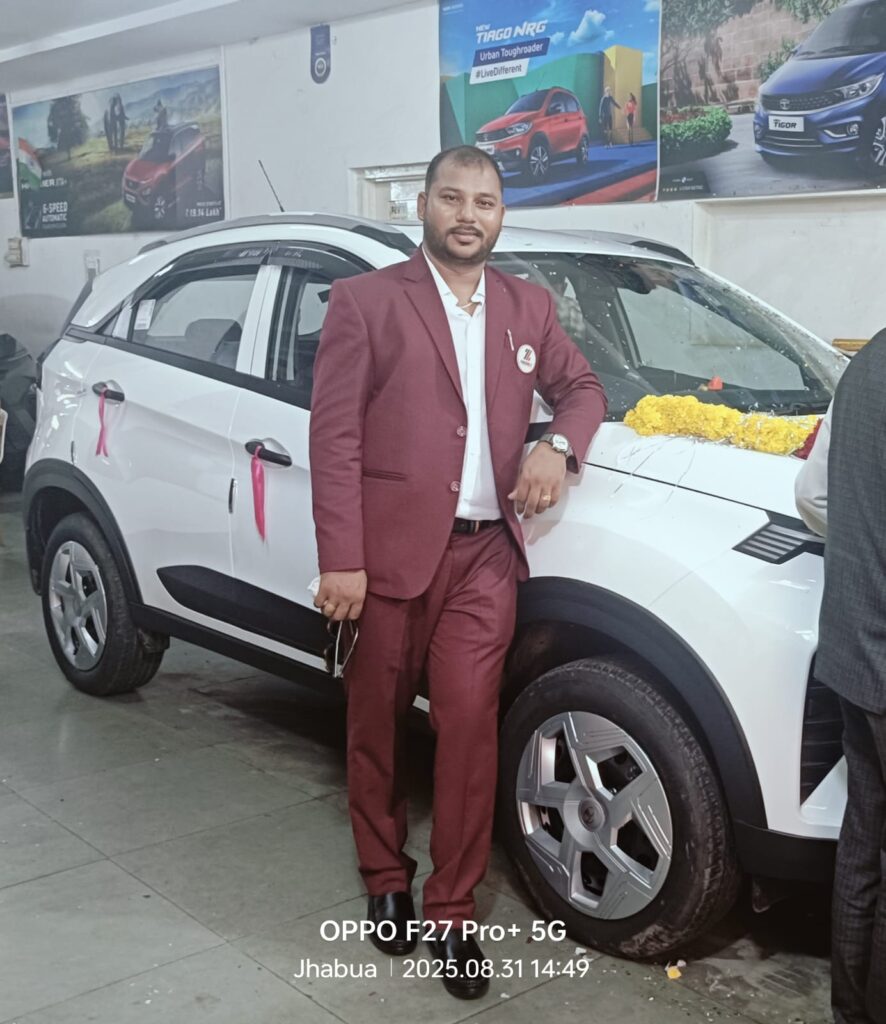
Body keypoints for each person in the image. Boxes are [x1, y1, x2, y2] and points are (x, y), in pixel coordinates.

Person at [309, 145, 607, 1000]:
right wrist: (342, 560)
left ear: (501, 214)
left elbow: (584, 389)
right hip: (387, 559)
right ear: (424, 206)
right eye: (452, 198)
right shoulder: (366, 302)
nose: (468, 215)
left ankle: (452, 910)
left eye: (484, 201)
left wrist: (556, 444)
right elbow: (334, 437)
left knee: (471, 729)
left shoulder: (527, 306)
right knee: (375, 723)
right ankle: (383, 875)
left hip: (485, 557)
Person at [794, 330, 886, 1024]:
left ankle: (850, 1012)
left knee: (863, 841)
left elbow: (815, 493)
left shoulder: (869, 362)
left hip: (854, 650)